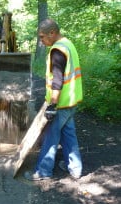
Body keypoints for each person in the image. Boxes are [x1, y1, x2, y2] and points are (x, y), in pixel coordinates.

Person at [24, 19, 83, 181]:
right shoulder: (68, 44)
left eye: (42, 37)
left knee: (51, 137)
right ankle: (76, 169)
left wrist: (52, 106)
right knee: (69, 135)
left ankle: (43, 172)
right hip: (72, 101)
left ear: (52, 33)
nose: (41, 41)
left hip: (61, 104)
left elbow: (57, 81)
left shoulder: (57, 51)